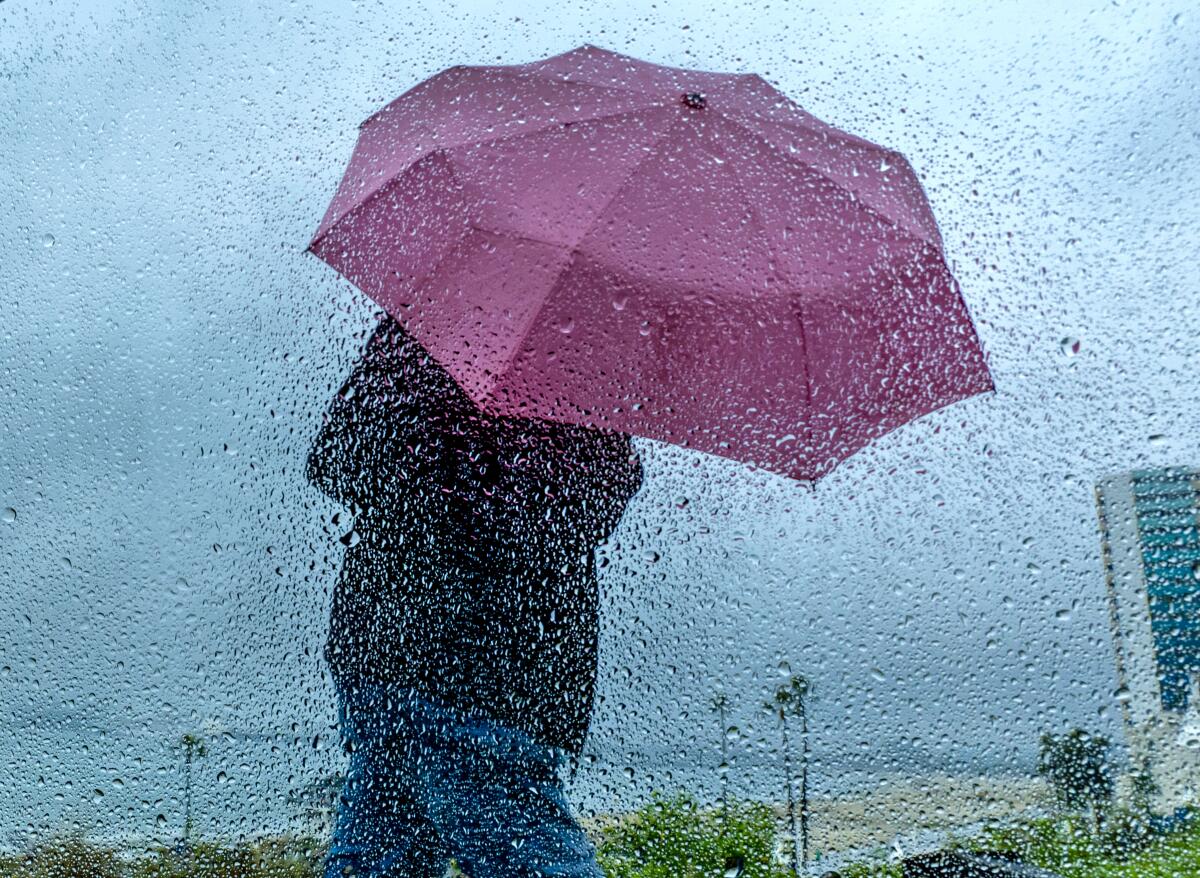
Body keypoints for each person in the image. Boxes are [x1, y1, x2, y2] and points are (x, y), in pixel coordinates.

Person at [306, 314, 643, 878]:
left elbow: (342, 458)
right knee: (524, 841)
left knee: (383, 839)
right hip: (503, 662)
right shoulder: (589, 346)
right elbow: (594, 505)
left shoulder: (430, 312)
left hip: (381, 639)